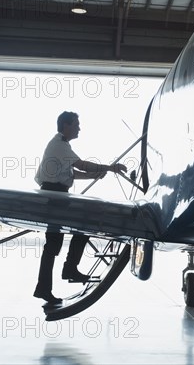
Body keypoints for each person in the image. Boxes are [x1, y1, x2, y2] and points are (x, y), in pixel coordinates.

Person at [33, 111, 127, 304]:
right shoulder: (59, 145)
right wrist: (110, 168)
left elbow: (71, 173)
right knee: (74, 230)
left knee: (59, 241)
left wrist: (95, 175)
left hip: (57, 194)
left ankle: (61, 274)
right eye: (76, 124)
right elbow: (82, 165)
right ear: (66, 125)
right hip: (54, 196)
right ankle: (64, 272)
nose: (79, 128)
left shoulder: (61, 145)